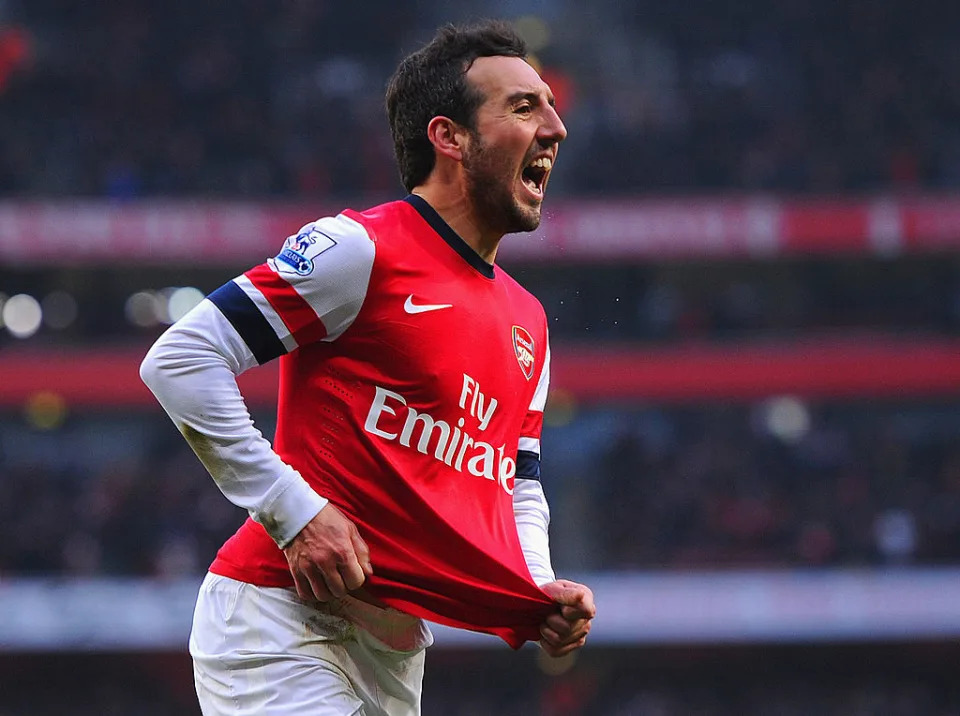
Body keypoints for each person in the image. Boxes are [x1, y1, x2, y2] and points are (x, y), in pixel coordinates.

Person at [140, 19, 595, 716]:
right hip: (279, 621)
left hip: (395, 651)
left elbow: (516, 479)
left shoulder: (527, 319)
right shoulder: (359, 249)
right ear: (450, 137)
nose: (556, 128)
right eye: (525, 107)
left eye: (552, 106)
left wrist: (540, 588)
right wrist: (296, 514)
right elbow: (182, 359)